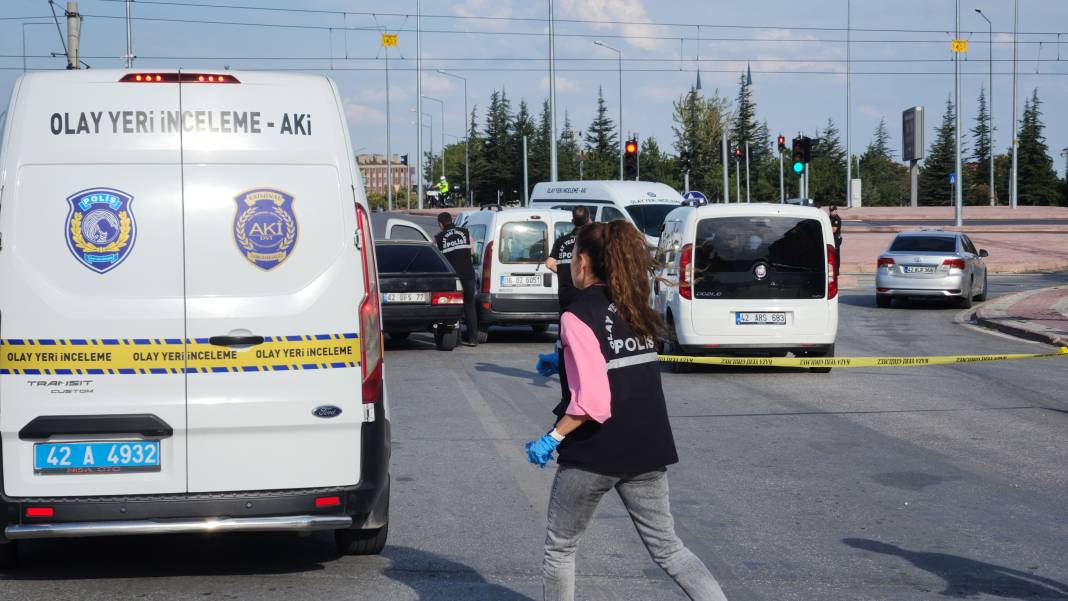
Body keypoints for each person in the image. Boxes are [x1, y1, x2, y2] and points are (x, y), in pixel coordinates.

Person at [524, 220, 729, 601]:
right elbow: (618, 361)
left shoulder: (576, 314)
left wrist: (551, 438)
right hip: (647, 449)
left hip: (594, 454)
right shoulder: (637, 304)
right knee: (669, 549)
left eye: (571, 258)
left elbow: (593, 403)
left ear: (583, 262)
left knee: (561, 548)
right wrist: (562, 360)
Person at [434, 212, 478, 347]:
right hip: (468, 275)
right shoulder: (465, 232)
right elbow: (472, 252)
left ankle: (456, 339)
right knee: (469, 306)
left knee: (453, 307)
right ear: (452, 220)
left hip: (452, 278)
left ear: (440, 224)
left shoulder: (439, 238)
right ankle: (472, 339)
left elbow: (436, 258)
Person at [829, 204, 842, 276]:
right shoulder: (830, 217)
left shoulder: (837, 219)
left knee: (836, 254)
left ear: (836, 211)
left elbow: (834, 229)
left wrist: (826, 228)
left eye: (832, 211)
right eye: (830, 211)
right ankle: (833, 269)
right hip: (832, 237)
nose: (831, 212)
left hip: (836, 238)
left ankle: (836, 270)